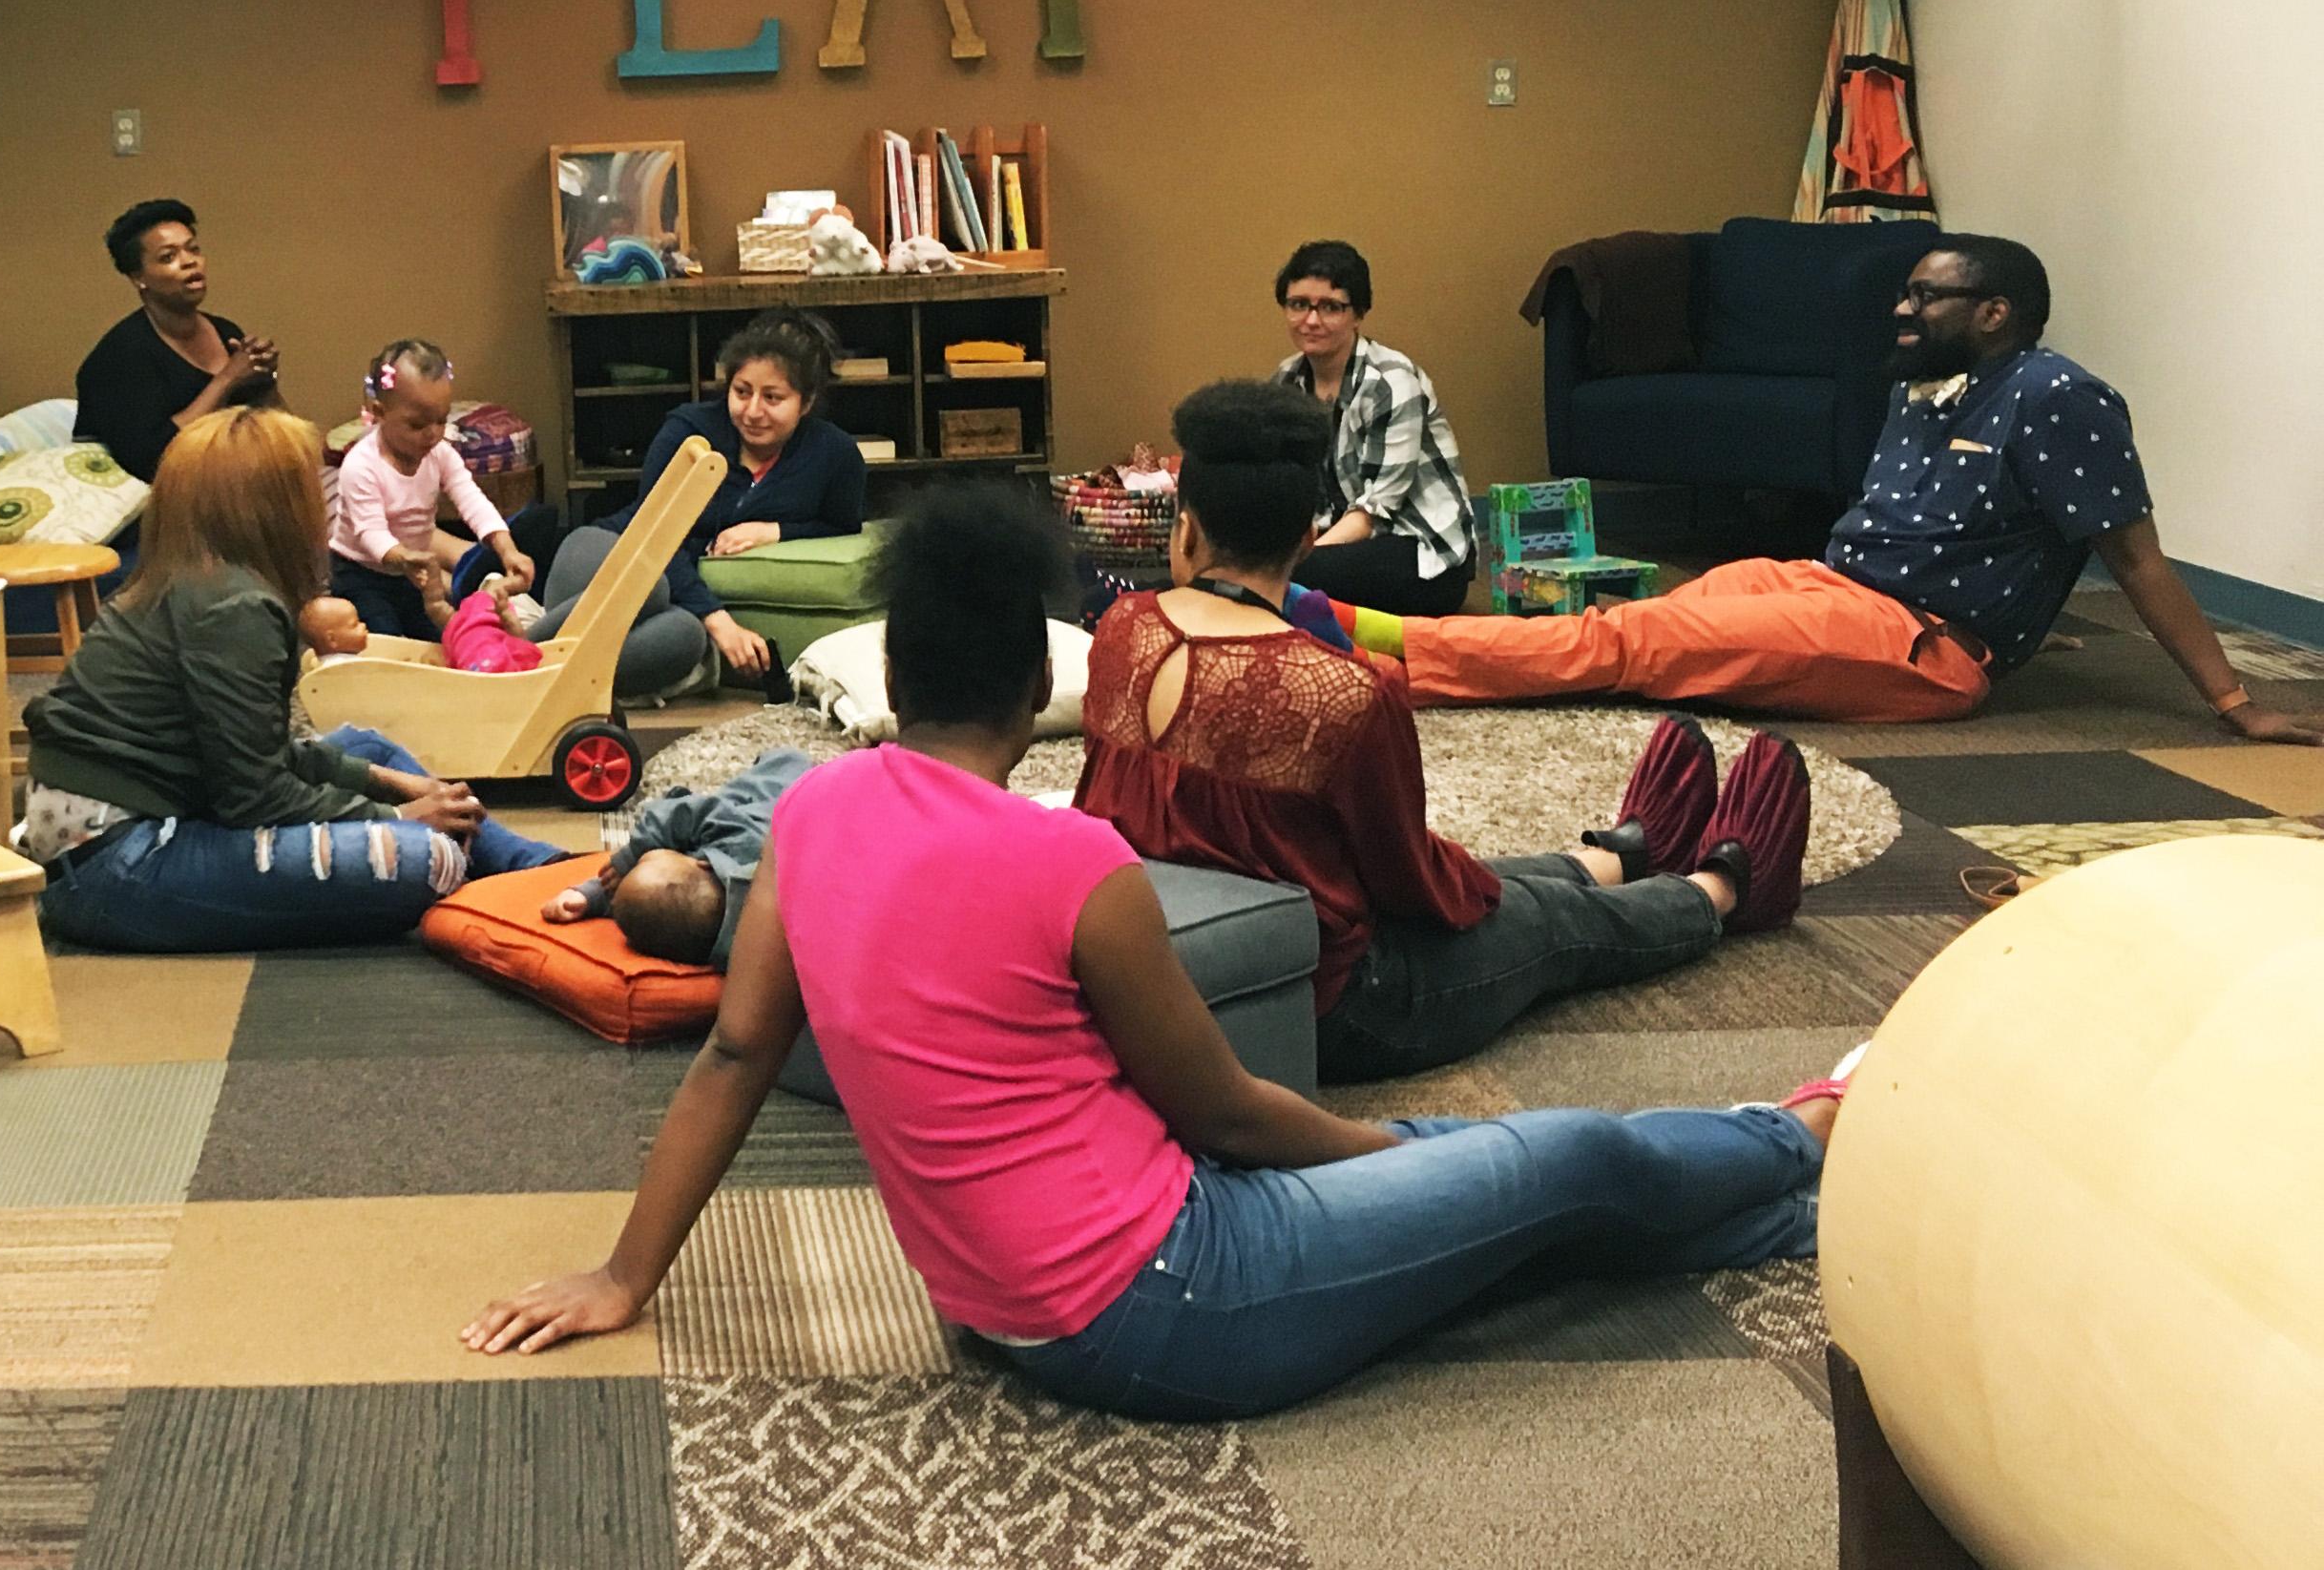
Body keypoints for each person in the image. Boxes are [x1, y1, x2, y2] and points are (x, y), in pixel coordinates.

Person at [460, 483, 1853, 1418]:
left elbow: (736, 1053)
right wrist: (1435, 1167)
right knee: (1555, 1157)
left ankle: (1791, 1218)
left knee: (1489, 1175)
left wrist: (622, 1274)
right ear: (1031, 690)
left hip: (1021, 1298)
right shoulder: (1072, 859)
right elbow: (1228, 1111)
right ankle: (1805, 1135)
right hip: (1173, 1303)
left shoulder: (817, 811)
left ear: (897, 677)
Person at [1078, 384, 1811, 1081]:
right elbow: (1407, 881)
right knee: (1547, 919)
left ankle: (1619, 859)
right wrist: (1482, 891)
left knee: (1493, 879)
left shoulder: (1120, 630)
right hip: (1343, 1003)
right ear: (1307, 539)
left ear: (1185, 526)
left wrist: (1478, 879)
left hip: (1164, 967)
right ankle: (1722, 892)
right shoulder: (1346, 690)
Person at [1388, 236, 2324, 738]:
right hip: (1831, 587)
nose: (1902, 308)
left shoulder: (2057, 397)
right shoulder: (1919, 387)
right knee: (1670, 612)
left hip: (1924, 645)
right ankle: (1400, 644)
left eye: (1926, 296)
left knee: (1631, 638)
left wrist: (2235, 701)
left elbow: (2136, 557)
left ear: (1993, 312)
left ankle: (1384, 664)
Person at [20, 407, 568, 952]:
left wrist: (392, 785)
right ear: (271, 508)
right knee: (428, 858)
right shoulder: (232, 603)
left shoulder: (196, 579)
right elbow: (254, 795)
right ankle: (516, 869)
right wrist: (398, 814)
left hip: (128, 833)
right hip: (119, 864)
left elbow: (264, 751)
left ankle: (535, 866)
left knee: (370, 750)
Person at [535, 311, 867, 700]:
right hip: (611, 549)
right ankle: (520, 656)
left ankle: (547, 684)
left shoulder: (834, 454)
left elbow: (843, 523)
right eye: (742, 392)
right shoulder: (689, 430)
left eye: (773, 398)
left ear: (806, 402)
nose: (753, 411)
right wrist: (718, 618)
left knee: (685, 637)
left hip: (670, 601)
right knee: (651, 585)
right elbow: (654, 535)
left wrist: (772, 530)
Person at [1270, 241, 1475, 618]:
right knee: (1247, 565)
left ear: (1358, 314)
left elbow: (1374, 513)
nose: (1311, 320)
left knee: (1282, 578)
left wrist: (1289, 564)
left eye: (1330, 306)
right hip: (1340, 542)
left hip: (1422, 553)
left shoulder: (1390, 381)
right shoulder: (1287, 380)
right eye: (1299, 304)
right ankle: (1149, 595)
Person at [328, 340, 536, 640]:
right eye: (416, 425)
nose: (432, 433)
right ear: (379, 412)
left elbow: (472, 500)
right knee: (383, 639)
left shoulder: (439, 453)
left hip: (412, 570)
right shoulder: (362, 464)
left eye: (441, 420)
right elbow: (370, 532)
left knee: (434, 638)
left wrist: (507, 549)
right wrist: (403, 557)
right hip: (360, 573)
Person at [540, 748, 819, 966]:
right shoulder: (745, 845)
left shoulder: (724, 946)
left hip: (762, 821)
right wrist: (633, 854)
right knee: (786, 762)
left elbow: (661, 907)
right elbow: (686, 814)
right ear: (702, 862)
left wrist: (591, 895)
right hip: (782, 804)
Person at [74, 199, 275, 484]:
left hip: (242, 482)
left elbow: (271, 428)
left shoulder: (225, 331)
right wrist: (227, 379)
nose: (190, 261)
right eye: (168, 257)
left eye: (193, 249)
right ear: (138, 278)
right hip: (167, 510)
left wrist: (264, 380)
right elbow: (157, 461)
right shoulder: (119, 358)